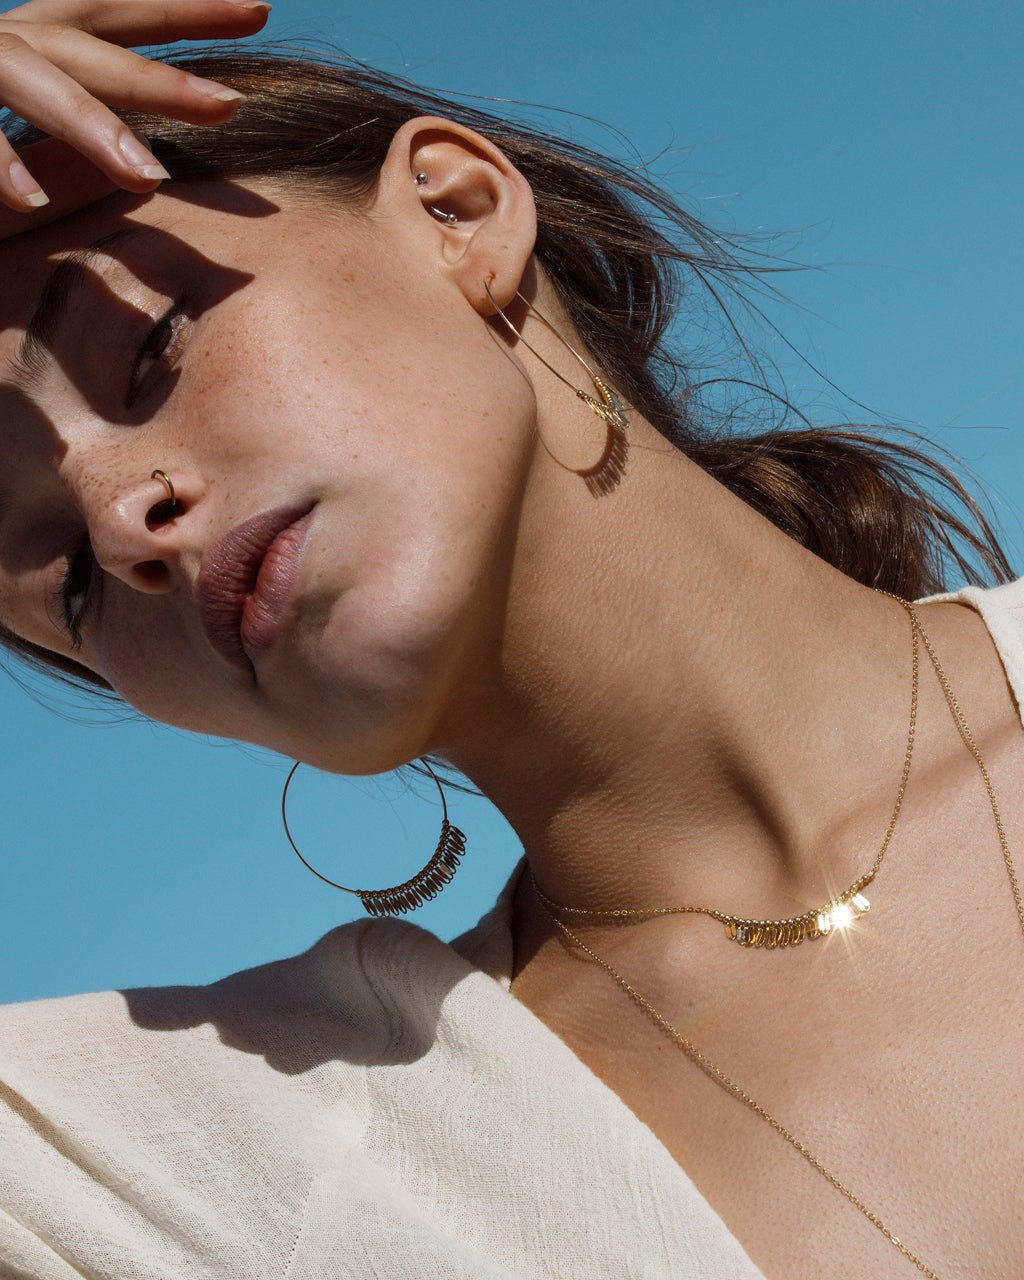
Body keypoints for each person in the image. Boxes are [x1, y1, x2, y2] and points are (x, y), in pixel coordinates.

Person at [0, 4, 1021, 1278]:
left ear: (457, 211)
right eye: (64, 581)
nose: (120, 522)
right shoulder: (197, 1158)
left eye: (152, 349)